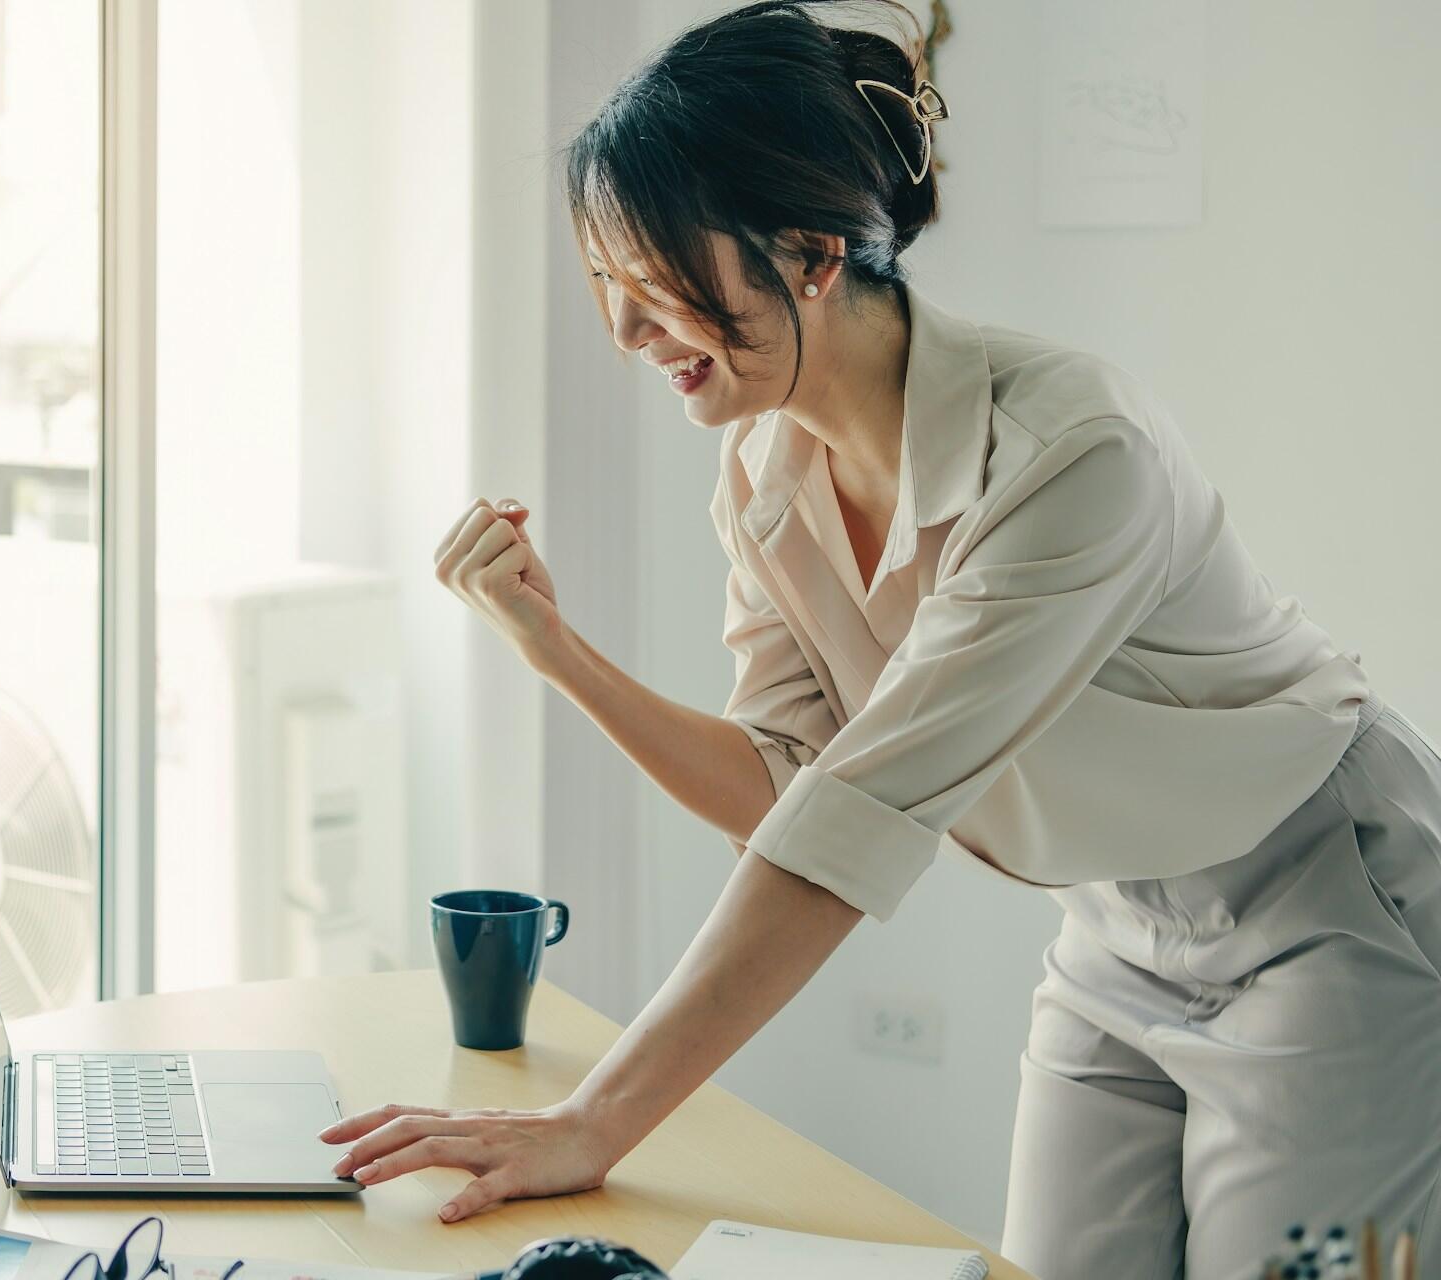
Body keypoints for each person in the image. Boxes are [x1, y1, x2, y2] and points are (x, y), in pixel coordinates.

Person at [318, 2, 1441, 1275]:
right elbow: (783, 787)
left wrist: (594, 1121)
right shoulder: (762, 470)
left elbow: (855, 817)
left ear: (808, 254)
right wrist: (553, 650)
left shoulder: (1073, 451)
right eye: (606, 286)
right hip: (1116, 927)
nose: (627, 334)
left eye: (655, 281)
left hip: (1323, 897)